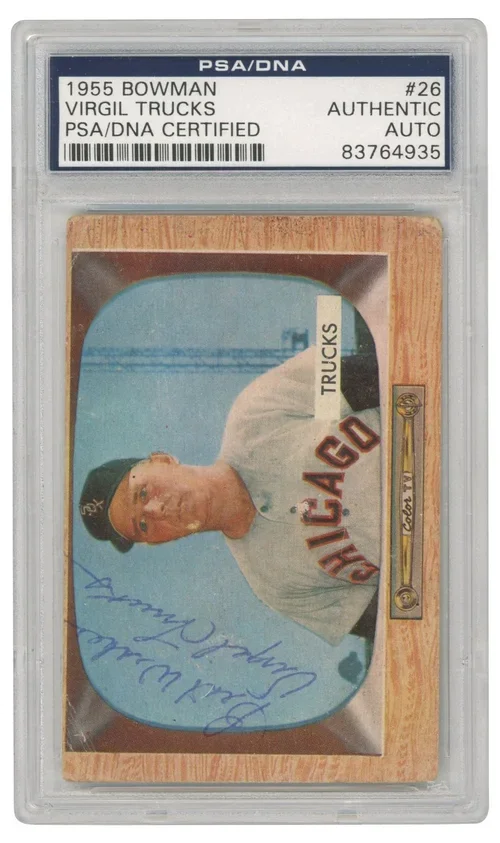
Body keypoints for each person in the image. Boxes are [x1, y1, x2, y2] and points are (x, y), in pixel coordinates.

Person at [80, 346, 381, 647]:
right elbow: (392, 617)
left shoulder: (256, 411)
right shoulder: (274, 586)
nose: (156, 510)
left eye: (143, 492)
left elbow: (388, 376)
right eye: (143, 526)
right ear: (158, 542)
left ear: (162, 459)